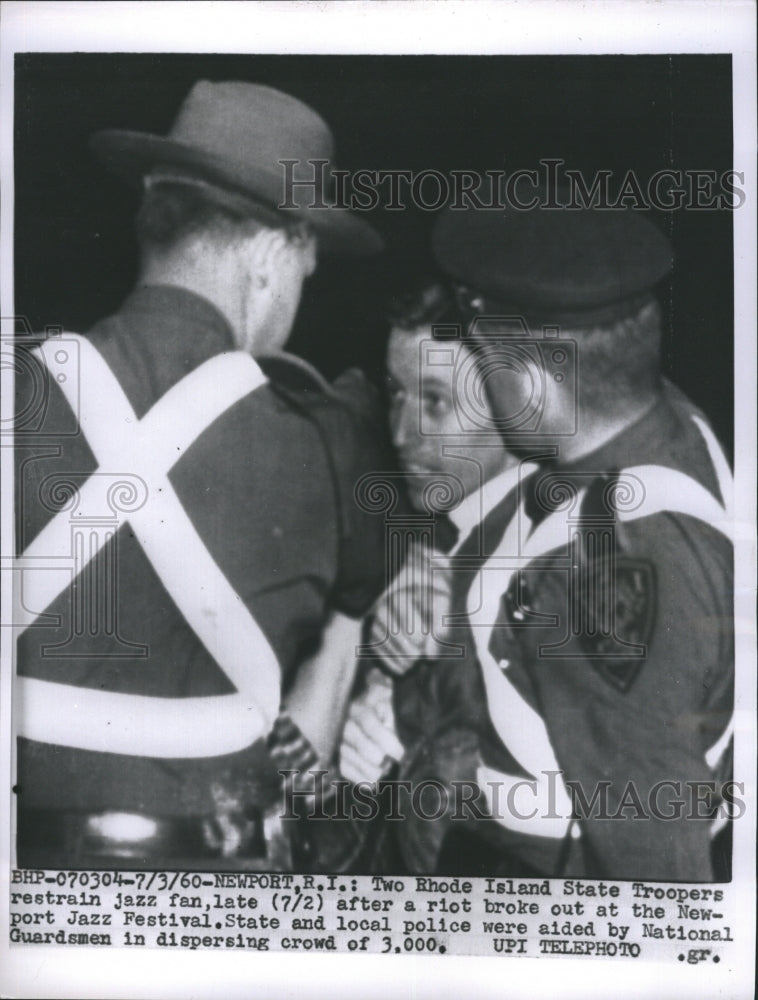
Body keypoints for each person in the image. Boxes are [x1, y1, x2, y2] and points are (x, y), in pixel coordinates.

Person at [13, 80, 388, 869]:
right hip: (211, 902)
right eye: (302, 269)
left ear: (153, 209)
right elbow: (339, 657)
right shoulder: (329, 442)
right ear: (267, 255)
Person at [422, 204, 734, 881]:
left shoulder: (602, 571)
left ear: (532, 384)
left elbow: (658, 885)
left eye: (484, 360)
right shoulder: (679, 427)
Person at [299, 283, 530, 874]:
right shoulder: (430, 527)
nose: (403, 434)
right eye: (396, 394)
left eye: (435, 404)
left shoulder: (562, 548)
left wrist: (411, 731)